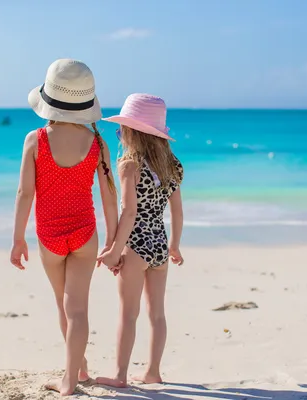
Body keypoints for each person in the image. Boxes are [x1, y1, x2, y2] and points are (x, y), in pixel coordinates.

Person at [10, 59, 118, 396]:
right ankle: (79, 369)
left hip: (49, 237)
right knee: (78, 308)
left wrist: (17, 239)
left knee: (63, 305)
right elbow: (109, 196)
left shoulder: (36, 139)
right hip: (85, 235)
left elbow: (25, 192)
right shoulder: (97, 143)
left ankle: (70, 379)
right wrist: (114, 242)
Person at [96, 94, 184, 387]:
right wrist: (174, 245)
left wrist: (113, 251)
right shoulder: (171, 165)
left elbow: (129, 213)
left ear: (132, 132)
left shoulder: (129, 166)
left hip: (136, 246)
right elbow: (177, 210)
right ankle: (153, 372)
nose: (120, 135)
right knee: (157, 314)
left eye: (122, 130)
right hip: (159, 243)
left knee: (128, 314)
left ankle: (120, 375)